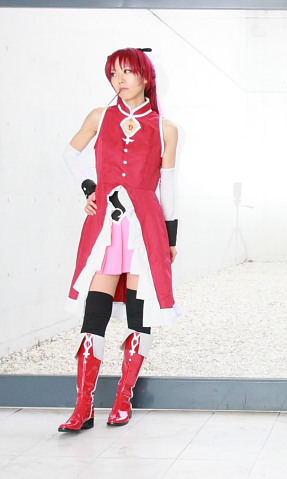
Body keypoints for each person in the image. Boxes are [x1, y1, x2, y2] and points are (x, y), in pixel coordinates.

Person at [58, 48, 180, 432]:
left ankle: (123, 400)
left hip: (146, 229)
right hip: (106, 230)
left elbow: (169, 185)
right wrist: (89, 187)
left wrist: (170, 237)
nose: (120, 79)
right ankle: (83, 407)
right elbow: (71, 153)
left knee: (139, 316)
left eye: (127, 71)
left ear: (146, 76)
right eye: (113, 73)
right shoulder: (100, 116)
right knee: (94, 314)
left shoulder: (165, 127)